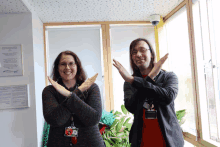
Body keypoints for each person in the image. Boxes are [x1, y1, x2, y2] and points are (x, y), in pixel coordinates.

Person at [113, 38, 184, 147]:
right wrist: (149, 78)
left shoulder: (169, 76)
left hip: (168, 141)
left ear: (151, 54)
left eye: (142, 50)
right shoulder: (129, 82)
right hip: (142, 141)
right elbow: (131, 107)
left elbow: (168, 97)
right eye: (134, 52)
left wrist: (135, 81)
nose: (138, 54)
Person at [42, 50, 105, 147]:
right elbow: (56, 120)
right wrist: (78, 92)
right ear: (57, 68)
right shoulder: (49, 91)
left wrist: (70, 95)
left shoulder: (91, 88)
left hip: (91, 143)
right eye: (63, 64)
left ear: (77, 67)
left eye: (71, 64)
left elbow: (93, 119)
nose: (67, 67)